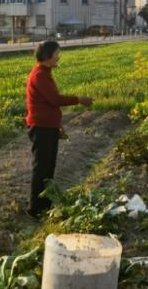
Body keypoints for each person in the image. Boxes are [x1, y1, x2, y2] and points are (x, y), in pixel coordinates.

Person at [25, 41, 93, 218]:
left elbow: (51, 104)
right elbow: (55, 100)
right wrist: (78, 99)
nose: (59, 56)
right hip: (41, 128)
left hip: (48, 126)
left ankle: (45, 204)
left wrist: (58, 124)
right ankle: (36, 209)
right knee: (42, 168)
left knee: (48, 167)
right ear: (48, 57)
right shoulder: (39, 75)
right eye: (57, 53)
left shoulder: (45, 73)